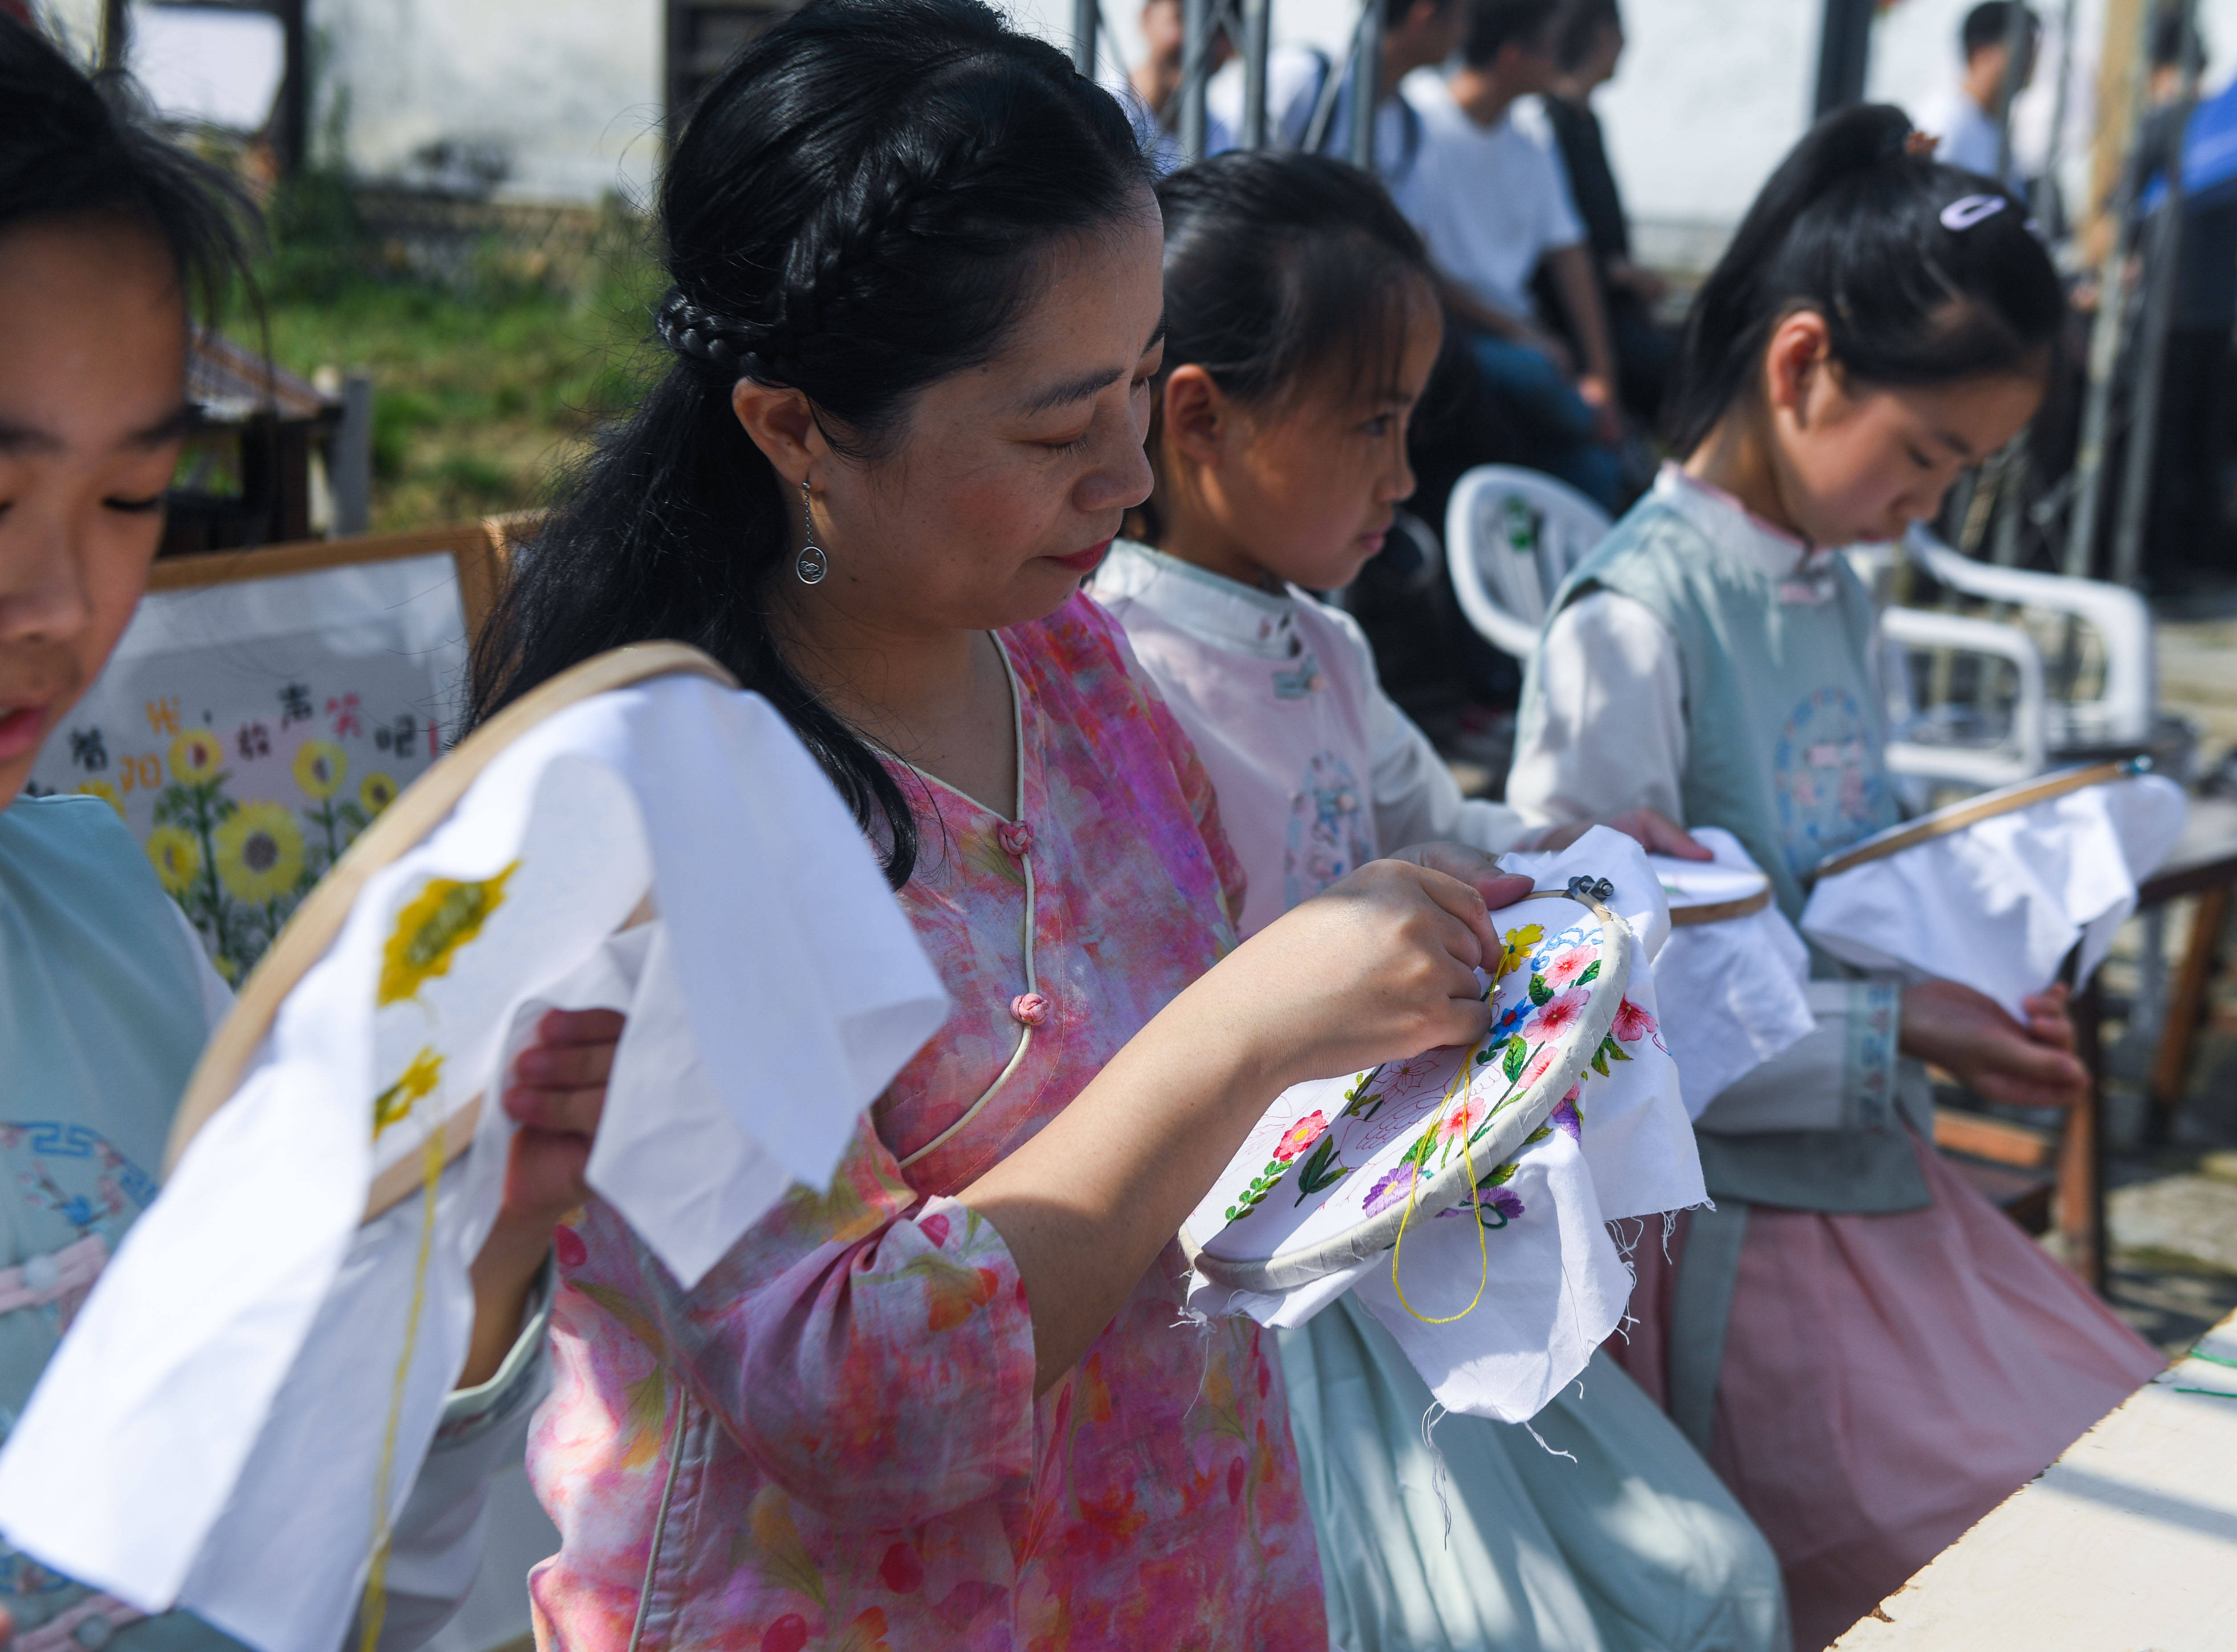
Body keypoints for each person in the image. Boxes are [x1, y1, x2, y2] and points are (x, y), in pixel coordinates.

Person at [475, 4, 1536, 1645]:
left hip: (1187, 1570)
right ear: (795, 429)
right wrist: (1246, 1028)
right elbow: (855, 1395)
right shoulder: (652, 823)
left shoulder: (1073, 665)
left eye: (1131, 384)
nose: (1124, 473)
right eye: (1054, 427)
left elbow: (1204, 1113)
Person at [1090, 147, 1790, 1652]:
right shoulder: (1112, 679)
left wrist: (1579, 838)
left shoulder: (1319, 651)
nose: (1405, 477)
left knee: (1703, 1579)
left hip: (1411, 1230)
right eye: (1372, 424)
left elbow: (1441, 825)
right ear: (1196, 414)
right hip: (1271, 1291)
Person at [1506, 105, 2164, 1649]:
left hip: (1855, 1178)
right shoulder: (1630, 623)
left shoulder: (1833, 595)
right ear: (1803, 367)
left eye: (1963, 475)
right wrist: (1906, 1022)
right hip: (1726, 1225)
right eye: (1927, 456)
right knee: (2023, 1535)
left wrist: (1961, 949)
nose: (1925, 506)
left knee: (2111, 1466)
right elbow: (1597, 1001)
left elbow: (1825, 881)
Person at [0, 20, 616, 1652]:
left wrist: (474, 1257)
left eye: (132, 500)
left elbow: (318, 1576)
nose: (63, 606)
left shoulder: (110, 921)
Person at [1394, 0, 1629, 511]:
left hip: (1522, 339)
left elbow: (1570, 255)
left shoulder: (1532, 135)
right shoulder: (1419, 124)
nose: (1559, 62)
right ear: (1511, 57)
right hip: (1455, 332)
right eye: (1548, 50)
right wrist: (1521, 335)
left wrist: (1601, 377)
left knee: (1593, 472)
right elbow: (1418, 268)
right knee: (1541, 385)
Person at [1536, 0, 1673, 424]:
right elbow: (1559, 243)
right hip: (1574, 317)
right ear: (1603, 35)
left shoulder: (1585, 121)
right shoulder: (1546, 121)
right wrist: (1620, 274)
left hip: (1613, 307)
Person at [1204, 0, 1464, 190]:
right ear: (1424, 14)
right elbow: (1214, 162)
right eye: (1461, 17)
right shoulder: (1302, 75)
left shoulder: (1410, 124)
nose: (1464, 33)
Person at [1113, 0, 1234, 172]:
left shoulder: (1224, 139)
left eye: (1220, 27)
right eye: (1184, 18)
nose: (1200, 42)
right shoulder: (1095, 117)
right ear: (1147, 18)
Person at [1932, 2, 2038, 188]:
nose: (2031, 61)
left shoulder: (1992, 127)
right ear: (1980, 52)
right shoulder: (1946, 124)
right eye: (2024, 48)